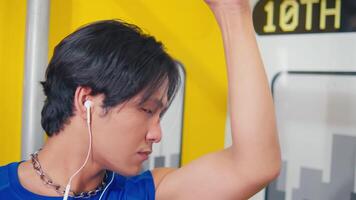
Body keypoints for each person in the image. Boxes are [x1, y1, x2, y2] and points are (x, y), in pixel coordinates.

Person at [0, 0, 281, 199]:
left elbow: (255, 165)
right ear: (86, 100)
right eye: (147, 109)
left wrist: (233, 11)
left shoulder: (147, 192)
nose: (157, 134)